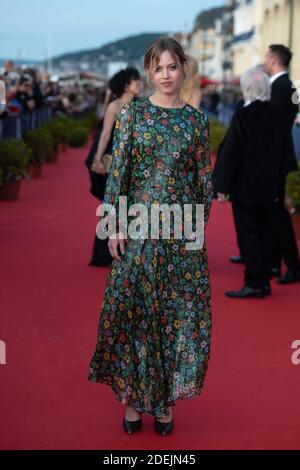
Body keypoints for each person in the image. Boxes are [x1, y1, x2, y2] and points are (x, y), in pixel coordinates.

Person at [88, 37, 213, 435]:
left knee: (174, 320)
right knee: (136, 317)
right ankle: (133, 402)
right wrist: (114, 225)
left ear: (183, 68)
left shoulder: (195, 122)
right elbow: (118, 174)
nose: (165, 75)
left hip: (180, 238)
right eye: (158, 68)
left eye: (172, 67)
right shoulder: (133, 115)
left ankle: (163, 405)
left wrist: (196, 233)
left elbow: (202, 183)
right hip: (139, 233)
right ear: (148, 72)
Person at [213, 67, 292, 298]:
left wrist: (221, 186)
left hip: (245, 187)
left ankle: (255, 283)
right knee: (265, 233)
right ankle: (263, 280)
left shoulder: (243, 115)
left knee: (249, 235)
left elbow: (231, 154)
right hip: (269, 187)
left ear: (247, 88)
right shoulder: (277, 116)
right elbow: (285, 154)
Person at [85, 68, 142, 266]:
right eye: (136, 80)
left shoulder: (140, 106)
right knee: (112, 207)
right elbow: (105, 133)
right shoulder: (114, 106)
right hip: (115, 162)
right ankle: (104, 255)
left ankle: (127, 253)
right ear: (126, 84)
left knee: (132, 207)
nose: (139, 84)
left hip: (135, 163)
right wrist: (98, 158)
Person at [264, 44, 300, 284]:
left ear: (274, 60)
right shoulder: (289, 86)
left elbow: (272, 127)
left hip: (274, 158)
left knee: (276, 211)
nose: (264, 60)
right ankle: (276, 263)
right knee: (274, 210)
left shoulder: (278, 87)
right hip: (281, 156)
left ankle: (292, 265)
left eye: (267, 56)